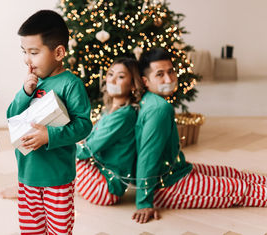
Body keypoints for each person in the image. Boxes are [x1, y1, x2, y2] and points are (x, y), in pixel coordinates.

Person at [132, 47, 267, 224]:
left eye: (171, 71)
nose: (169, 79)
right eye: (160, 74)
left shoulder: (153, 101)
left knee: (231, 173)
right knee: (241, 188)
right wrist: (143, 202)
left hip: (179, 169)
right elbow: (147, 156)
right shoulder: (159, 109)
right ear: (146, 81)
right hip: (168, 186)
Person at [7, 10, 92, 234]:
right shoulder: (32, 83)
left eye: (34, 52)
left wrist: (50, 136)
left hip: (57, 178)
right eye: (24, 52)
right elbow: (12, 117)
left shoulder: (70, 84)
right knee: (30, 229)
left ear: (59, 52)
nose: (27, 59)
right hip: (27, 176)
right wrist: (25, 92)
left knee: (59, 229)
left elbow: (84, 125)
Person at [76, 58, 144, 205]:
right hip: (100, 175)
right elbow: (89, 140)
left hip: (107, 188)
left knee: (60, 155)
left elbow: (87, 149)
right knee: (64, 153)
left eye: (120, 77)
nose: (112, 80)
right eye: (110, 74)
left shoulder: (124, 115)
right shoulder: (111, 110)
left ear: (132, 84)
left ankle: (39, 189)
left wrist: (60, 144)